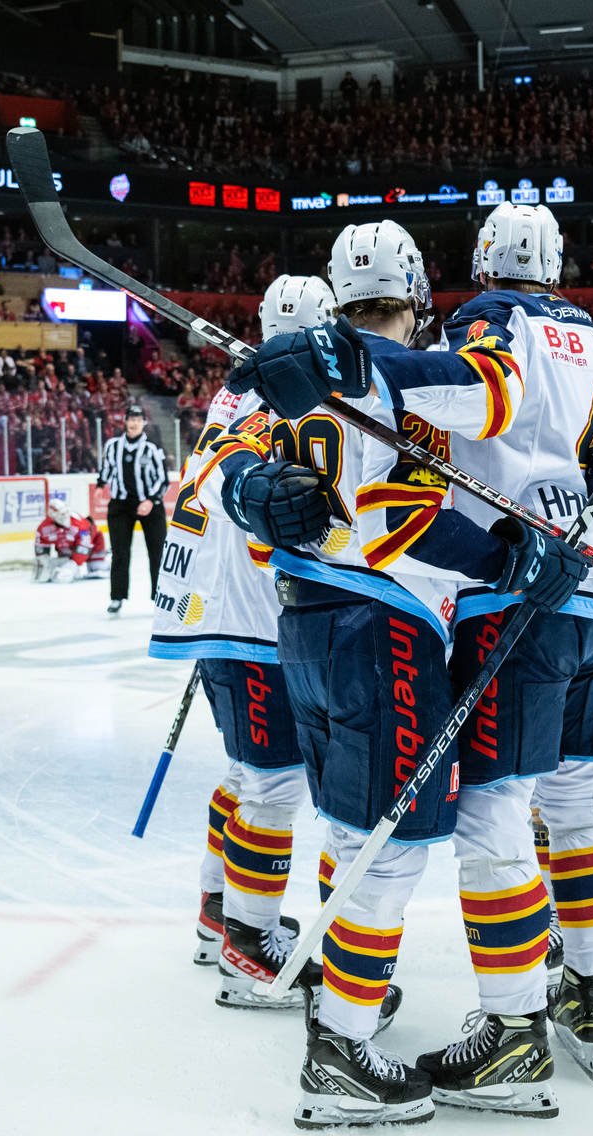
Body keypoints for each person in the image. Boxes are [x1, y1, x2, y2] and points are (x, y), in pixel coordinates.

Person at [219, 219, 588, 1129]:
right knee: (391, 844)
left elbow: (226, 465)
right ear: (420, 298)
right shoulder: (409, 383)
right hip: (380, 627)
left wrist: (247, 490)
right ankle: (339, 1053)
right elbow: (400, 515)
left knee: (355, 835)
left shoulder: (307, 373)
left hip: (301, 627)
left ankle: (345, 1016)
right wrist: (509, 554)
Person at [437, 203, 593, 1096]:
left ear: (483, 260)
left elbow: (454, 400)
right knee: (580, 802)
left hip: (524, 588)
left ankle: (510, 1031)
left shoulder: (484, 320)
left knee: (495, 806)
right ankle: (586, 989)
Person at [148, 273, 404, 1025]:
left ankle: (218, 909)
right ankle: (249, 947)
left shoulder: (237, 395)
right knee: (274, 785)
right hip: (252, 620)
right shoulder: (285, 400)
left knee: (249, 776)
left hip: (219, 613)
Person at [98, 403, 167, 615]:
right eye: (131, 419)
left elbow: (163, 479)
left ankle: (159, 597)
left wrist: (150, 500)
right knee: (120, 552)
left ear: (143, 423)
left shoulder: (153, 447)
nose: (134, 423)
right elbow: (106, 469)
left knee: (157, 552)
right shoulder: (112, 446)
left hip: (150, 504)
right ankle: (117, 597)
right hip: (120, 505)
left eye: (138, 419)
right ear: (126, 421)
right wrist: (100, 485)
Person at [31, 496, 108, 583]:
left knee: (97, 567)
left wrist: (73, 564)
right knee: (56, 574)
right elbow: (40, 548)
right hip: (67, 550)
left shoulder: (80, 524)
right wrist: (44, 564)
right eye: (62, 514)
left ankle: (104, 562)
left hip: (91, 546)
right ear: (52, 516)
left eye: (66, 513)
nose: (65, 516)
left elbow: (84, 547)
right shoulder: (44, 527)